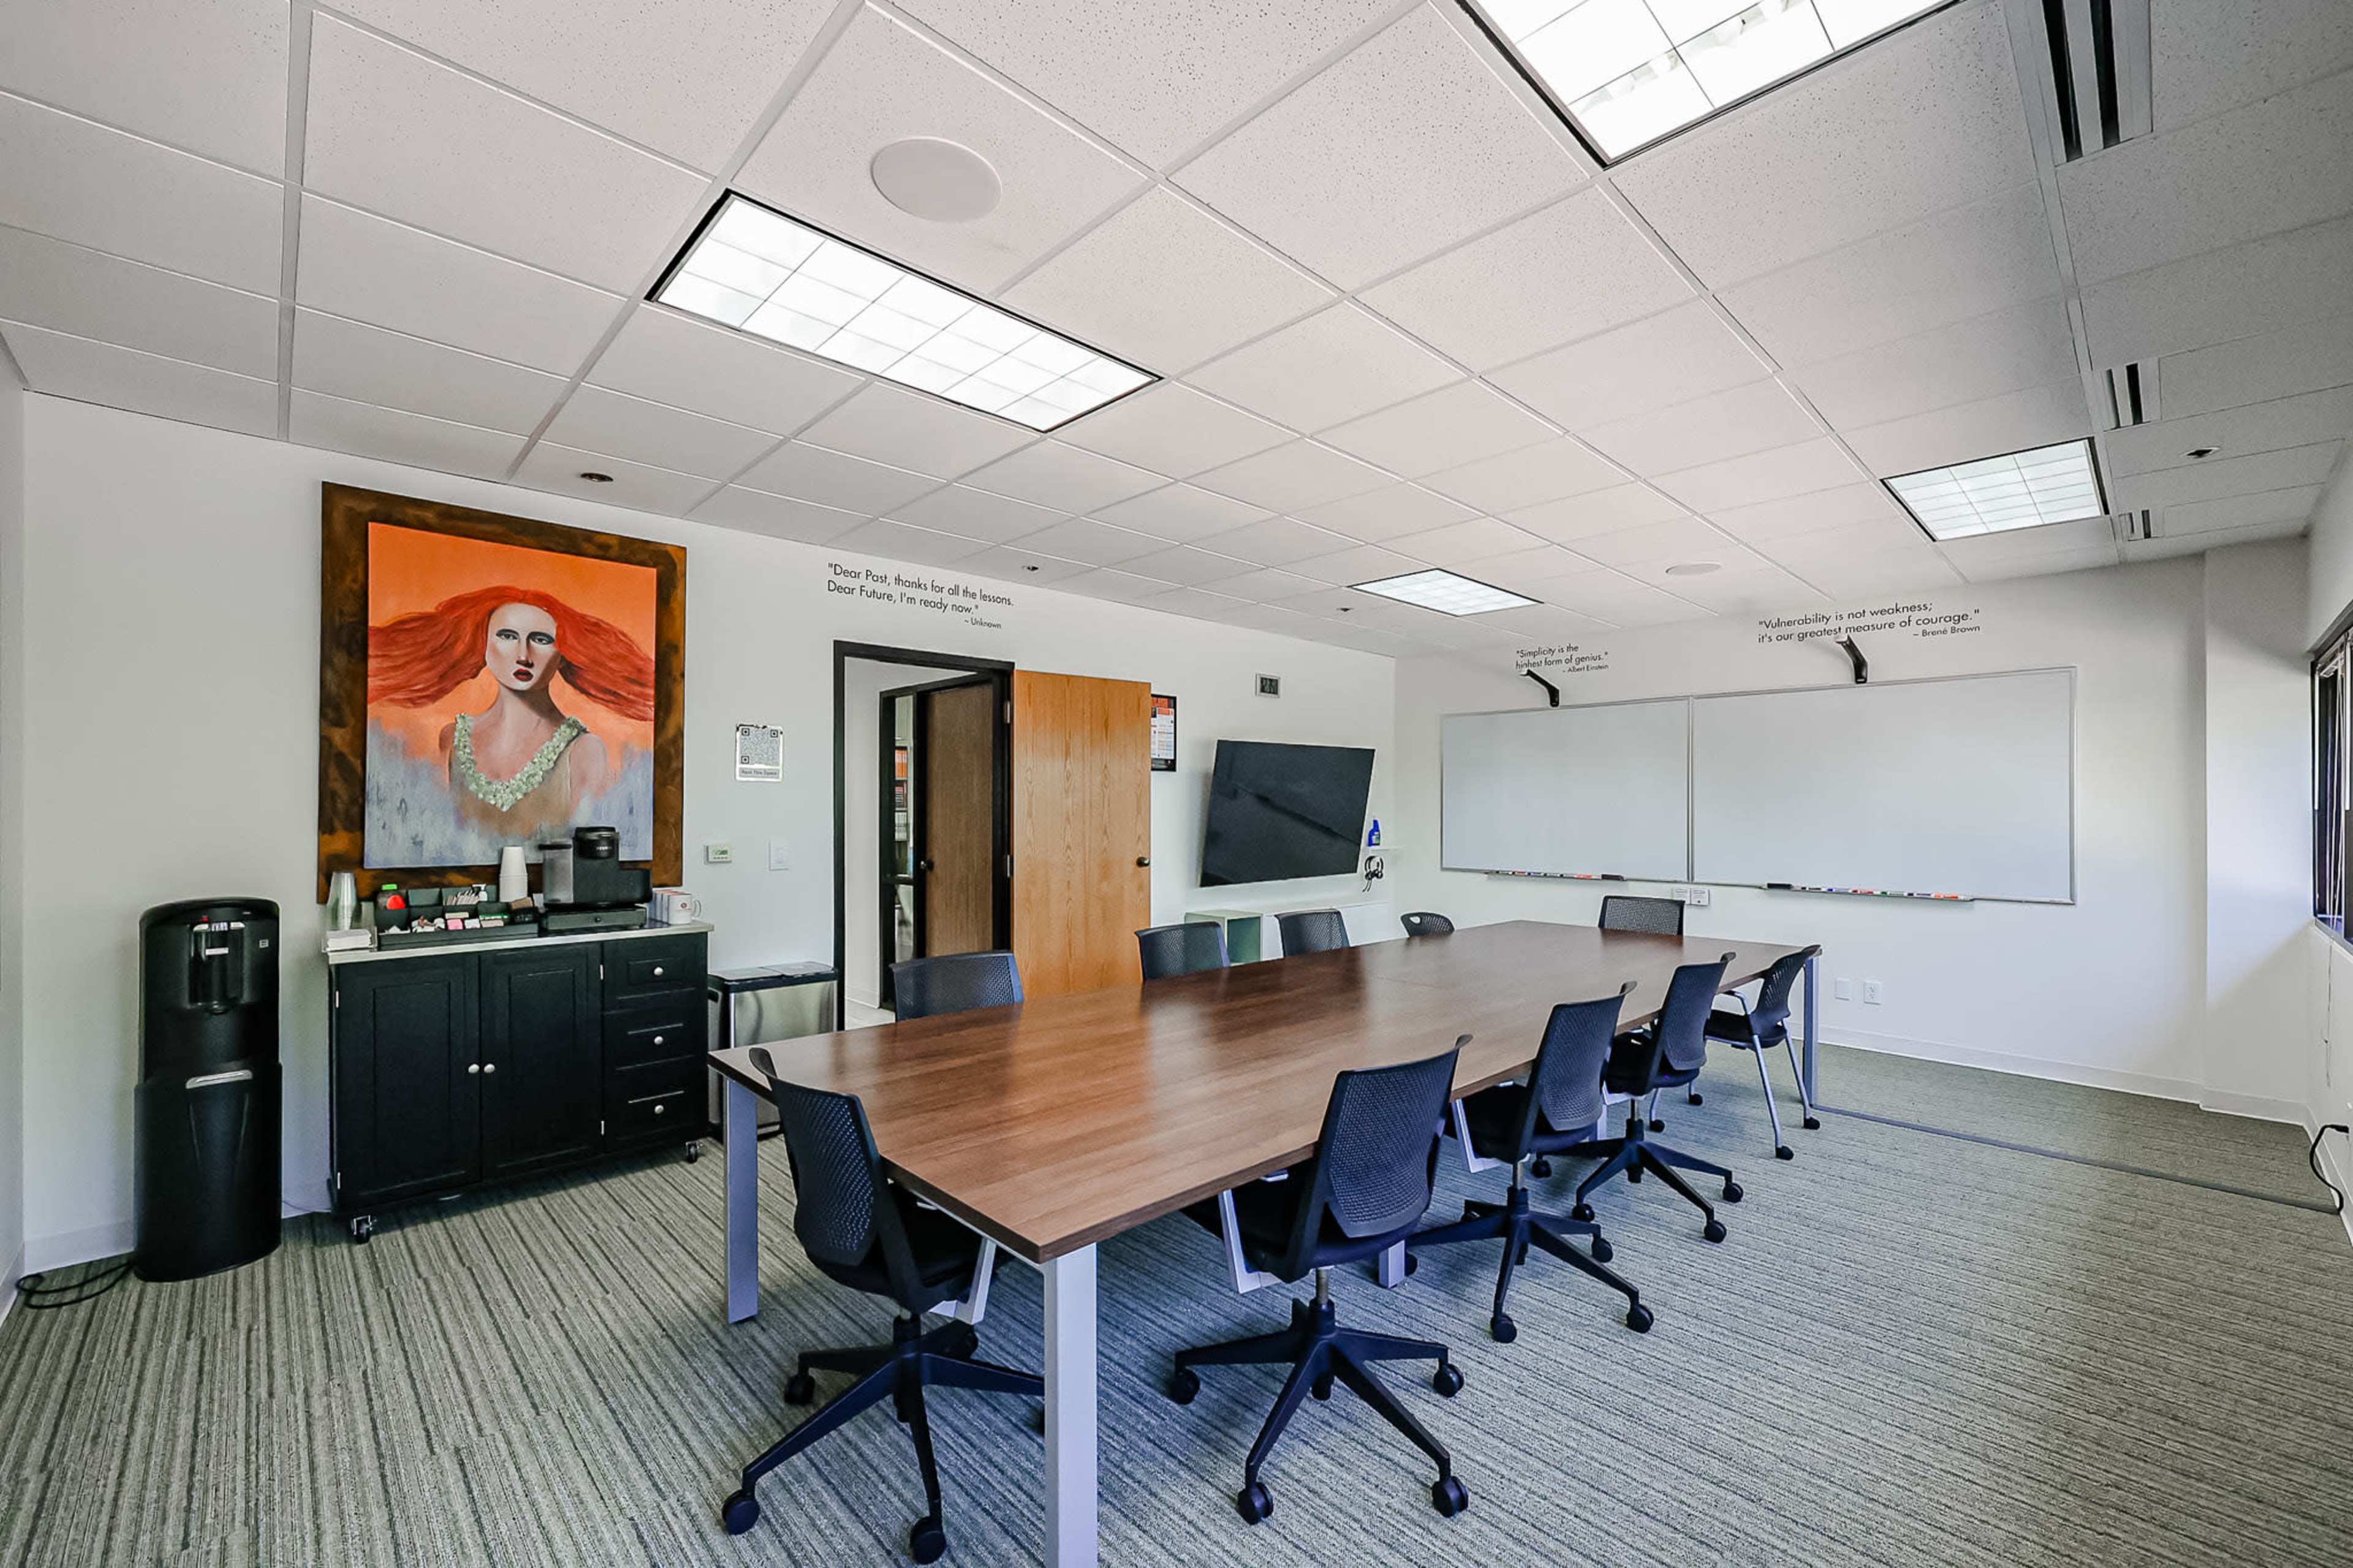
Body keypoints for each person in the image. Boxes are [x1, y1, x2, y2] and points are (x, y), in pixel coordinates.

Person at [369, 585, 655, 846]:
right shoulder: (452, 738)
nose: (523, 655)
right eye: (507, 636)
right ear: (484, 644)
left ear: (563, 653)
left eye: (541, 639)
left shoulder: (584, 750)